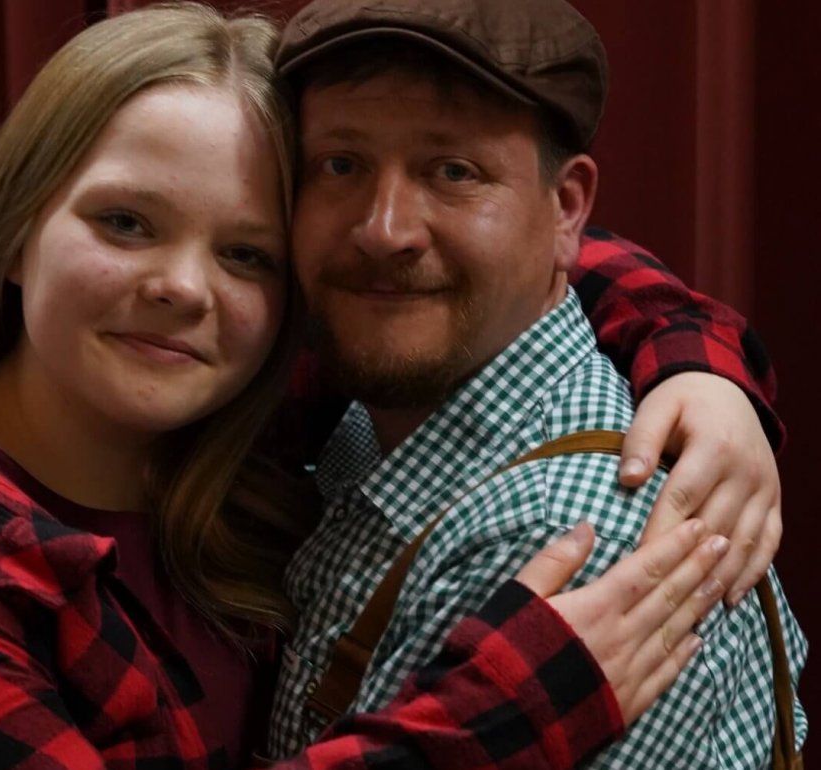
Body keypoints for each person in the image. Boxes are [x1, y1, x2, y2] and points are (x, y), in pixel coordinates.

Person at [0, 3, 779, 770]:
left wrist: (702, 365)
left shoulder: (250, 433)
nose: (182, 289)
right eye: (125, 223)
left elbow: (486, 269)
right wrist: (506, 712)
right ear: (13, 230)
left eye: (244, 253)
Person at [263, 0, 806, 766]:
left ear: (567, 209)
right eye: (340, 165)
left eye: (453, 172)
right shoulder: (345, 415)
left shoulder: (574, 542)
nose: (384, 230)